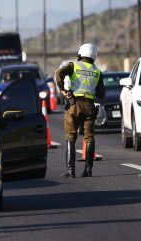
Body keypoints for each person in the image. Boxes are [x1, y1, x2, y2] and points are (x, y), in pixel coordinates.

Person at [55, 42, 105, 178]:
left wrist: (63, 90)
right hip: (89, 106)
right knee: (89, 137)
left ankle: (71, 170)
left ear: (81, 53)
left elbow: (58, 73)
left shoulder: (73, 66)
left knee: (70, 136)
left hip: (74, 104)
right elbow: (101, 94)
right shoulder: (97, 72)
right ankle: (88, 170)